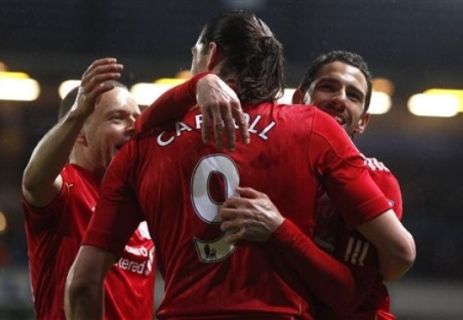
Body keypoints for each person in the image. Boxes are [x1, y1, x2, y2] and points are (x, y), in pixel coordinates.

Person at [65, 11, 414, 319]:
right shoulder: (313, 128)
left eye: (194, 58)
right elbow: (395, 257)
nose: (338, 101)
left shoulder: (142, 148)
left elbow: (82, 284)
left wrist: (195, 85)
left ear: (211, 54)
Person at [218, 50, 408, 319]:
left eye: (353, 96)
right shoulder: (272, 162)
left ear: (363, 122)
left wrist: (279, 229)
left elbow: (346, 296)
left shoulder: (375, 181)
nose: (339, 99)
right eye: (328, 87)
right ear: (298, 99)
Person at [21, 58, 155, 320]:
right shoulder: (67, 187)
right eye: (117, 118)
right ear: (79, 133)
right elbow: (34, 182)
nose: (134, 127)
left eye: (137, 119)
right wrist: (78, 112)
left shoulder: (138, 201)